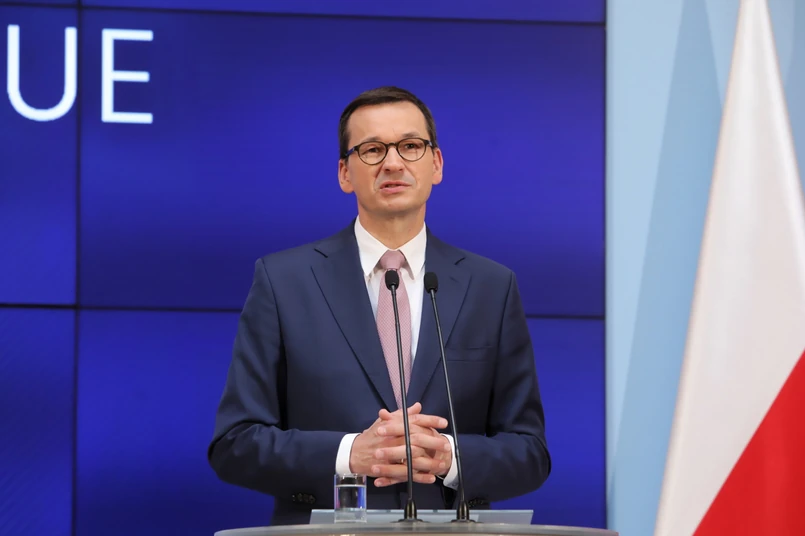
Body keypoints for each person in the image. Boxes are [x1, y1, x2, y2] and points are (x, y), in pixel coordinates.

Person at [207, 86, 551, 526]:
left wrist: (449, 458)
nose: (392, 163)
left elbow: (530, 452)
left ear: (436, 164)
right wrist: (350, 454)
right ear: (344, 173)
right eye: (372, 150)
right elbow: (235, 443)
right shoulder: (284, 282)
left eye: (410, 146)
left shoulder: (491, 287)